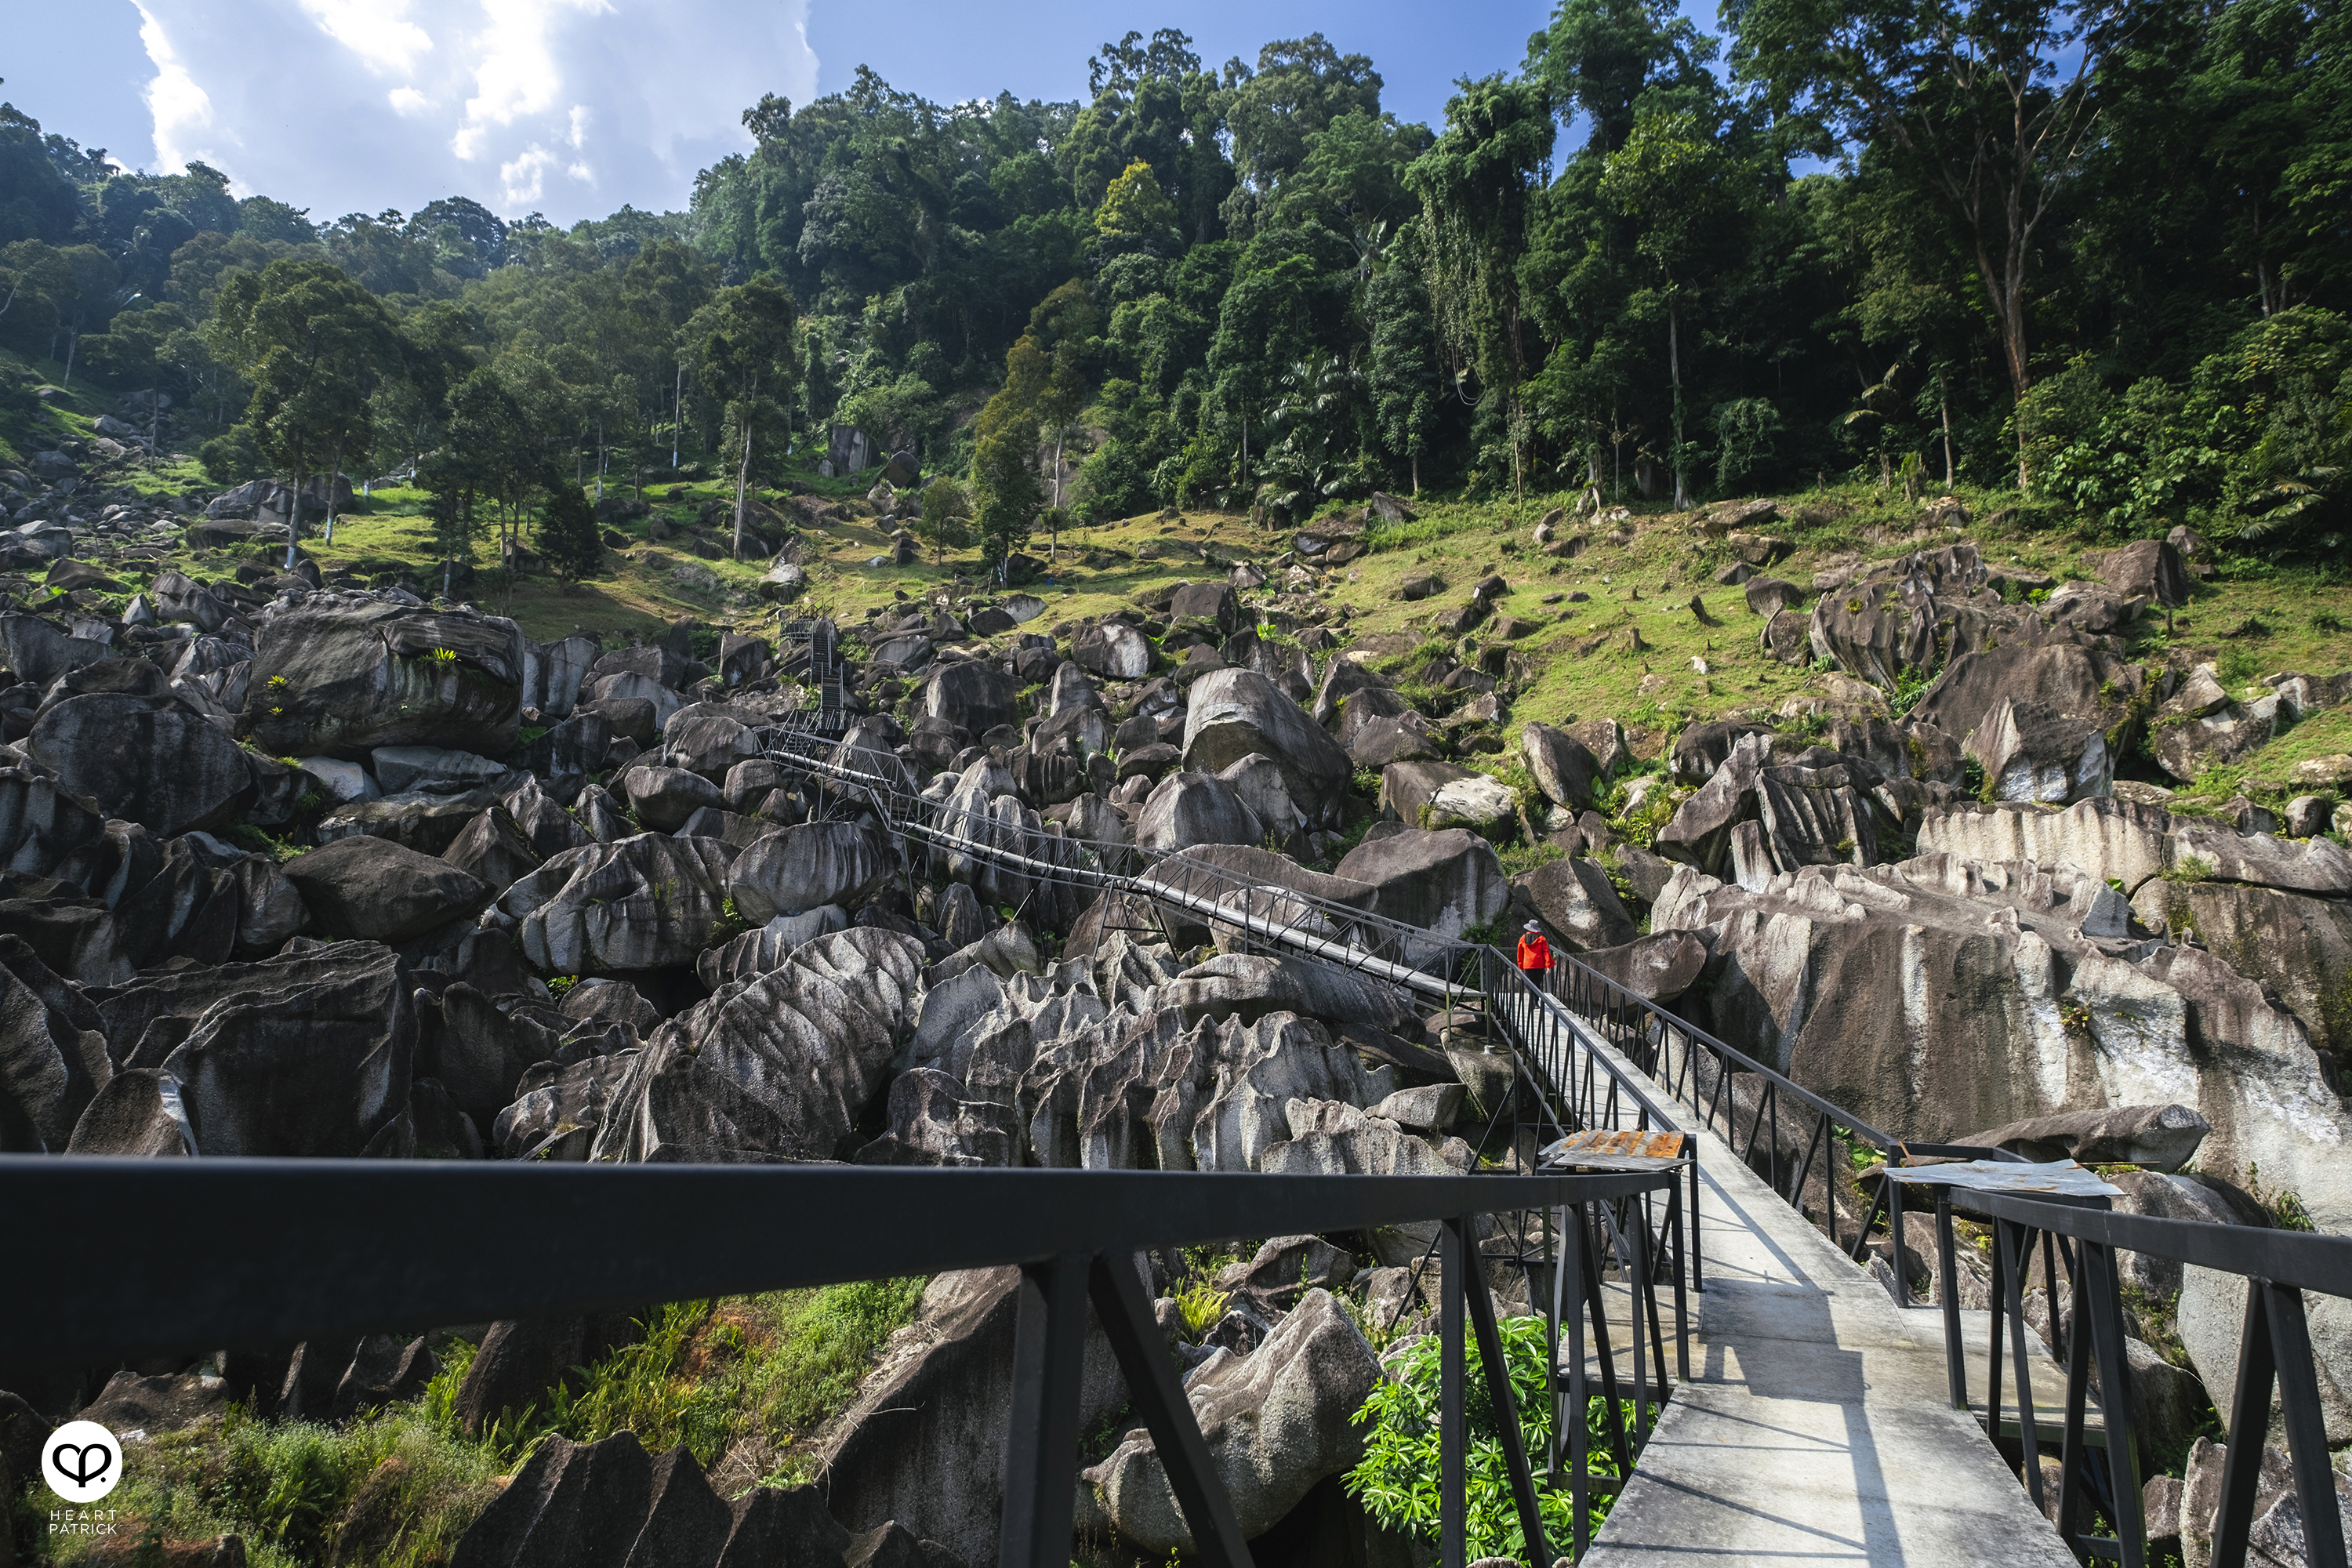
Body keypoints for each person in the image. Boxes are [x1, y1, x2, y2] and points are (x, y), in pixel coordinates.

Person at [1515, 920, 1552, 987]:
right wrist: (1548, 966)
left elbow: (1520, 953)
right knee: (1537, 985)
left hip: (1528, 964)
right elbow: (1546, 952)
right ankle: (1536, 997)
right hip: (1539, 964)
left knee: (1529, 985)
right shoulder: (1542, 939)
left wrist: (1521, 966)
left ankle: (1532, 997)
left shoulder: (1523, 938)